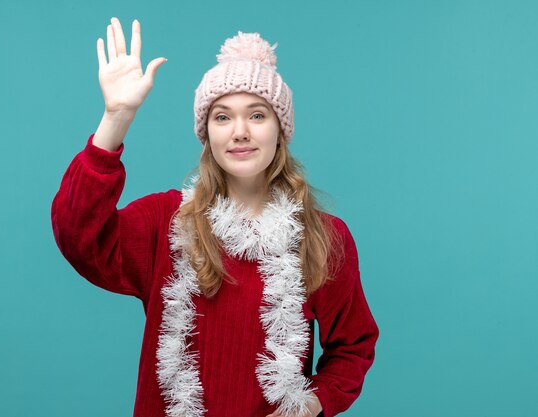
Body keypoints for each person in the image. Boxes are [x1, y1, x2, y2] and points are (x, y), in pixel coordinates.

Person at [51, 16, 379, 417]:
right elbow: (78, 235)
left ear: (281, 130)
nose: (239, 131)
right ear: (207, 134)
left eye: (257, 115)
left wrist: (313, 403)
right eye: (222, 117)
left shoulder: (324, 236)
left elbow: (354, 345)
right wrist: (115, 118)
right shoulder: (166, 221)